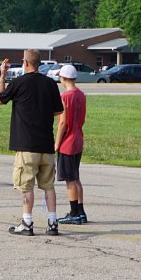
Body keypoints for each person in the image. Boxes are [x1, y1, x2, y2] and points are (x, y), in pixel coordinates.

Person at [0, 49, 64, 236]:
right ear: (39, 63)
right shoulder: (50, 83)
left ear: (25, 62)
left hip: (26, 144)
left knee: (26, 185)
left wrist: (2, 75)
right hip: (46, 144)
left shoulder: (19, 82)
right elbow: (58, 111)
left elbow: (0, 99)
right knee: (48, 186)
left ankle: (27, 222)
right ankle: (52, 222)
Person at [54, 64, 89, 225]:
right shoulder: (81, 95)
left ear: (64, 78)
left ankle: (74, 212)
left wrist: (57, 143)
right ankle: (81, 212)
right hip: (78, 138)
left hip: (67, 142)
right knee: (76, 177)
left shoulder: (65, 96)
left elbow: (63, 123)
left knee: (70, 180)